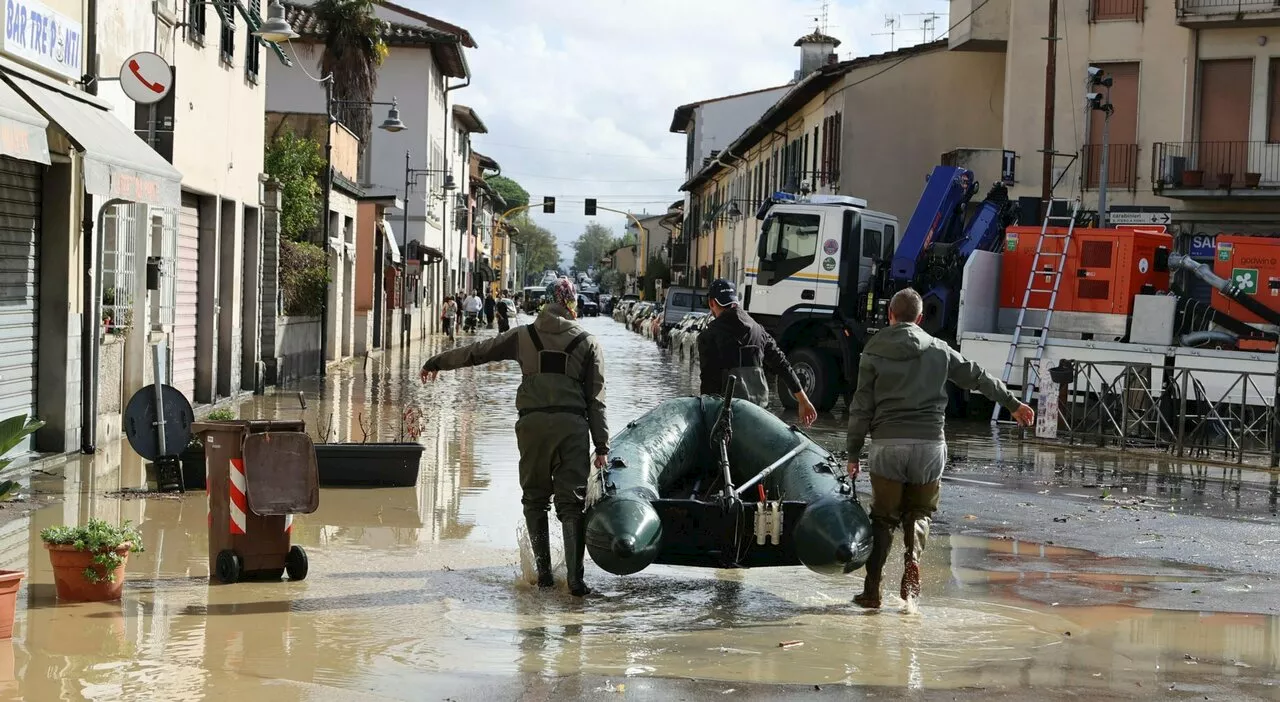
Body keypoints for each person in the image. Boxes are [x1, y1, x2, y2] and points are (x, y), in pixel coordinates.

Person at [847, 288, 1035, 609]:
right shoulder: (939, 349)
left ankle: (872, 592)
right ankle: (913, 562)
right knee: (919, 512)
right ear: (920, 319)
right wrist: (1012, 403)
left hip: (888, 446)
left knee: (883, 520)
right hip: (931, 446)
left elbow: (861, 406)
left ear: (890, 315)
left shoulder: (874, 350)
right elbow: (978, 377)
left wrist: (852, 453)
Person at [420, 277, 607, 597]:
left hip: (532, 427)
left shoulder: (524, 336)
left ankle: (544, 578)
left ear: (545, 302)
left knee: (535, 501)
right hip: (572, 429)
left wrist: (436, 361)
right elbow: (597, 399)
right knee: (571, 505)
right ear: (571, 302)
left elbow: (477, 352)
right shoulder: (588, 341)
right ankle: (575, 582)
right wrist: (601, 445)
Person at [697, 279, 817, 427]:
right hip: (759, 415)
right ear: (735, 301)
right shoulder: (759, 331)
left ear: (712, 303)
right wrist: (803, 400)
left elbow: (708, 382)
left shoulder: (708, 336)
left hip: (727, 416)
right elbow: (782, 365)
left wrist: (704, 421)